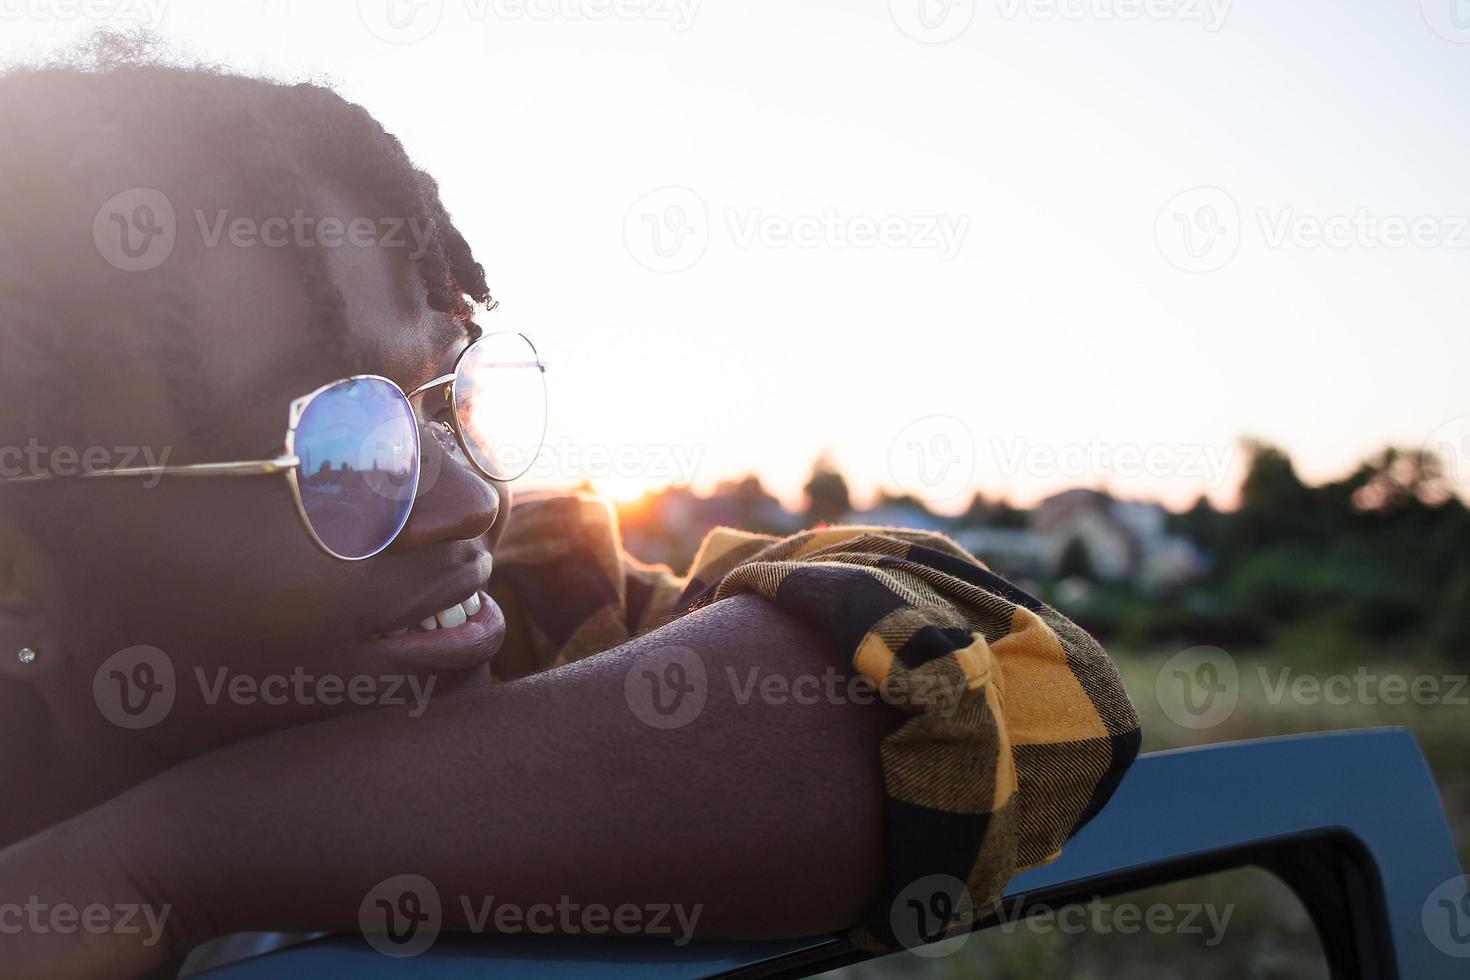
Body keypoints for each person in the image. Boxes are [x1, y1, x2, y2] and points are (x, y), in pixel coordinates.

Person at [0, 34, 1140, 979]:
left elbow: (1029, 686)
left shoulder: (543, 617)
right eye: (340, 448)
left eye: (448, 398)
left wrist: (153, 861)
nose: (467, 500)